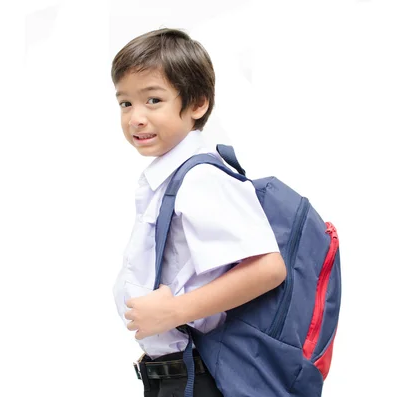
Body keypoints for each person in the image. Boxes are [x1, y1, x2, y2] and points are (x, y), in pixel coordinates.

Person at [111, 27, 286, 397]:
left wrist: (174, 312)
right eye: (125, 103)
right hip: (175, 375)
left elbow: (269, 268)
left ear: (197, 104)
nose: (135, 118)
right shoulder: (170, 177)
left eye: (153, 100)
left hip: (197, 376)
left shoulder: (200, 178)